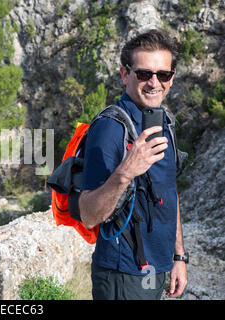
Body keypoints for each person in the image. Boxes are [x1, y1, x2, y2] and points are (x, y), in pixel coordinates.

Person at [78, 29, 188, 300]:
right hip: (123, 272)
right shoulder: (110, 128)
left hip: (158, 268)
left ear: (172, 78)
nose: (154, 82)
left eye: (163, 74)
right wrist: (126, 172)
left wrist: (178, 256)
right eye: (143, 74)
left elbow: (168, 192)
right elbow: (89, 214)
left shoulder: (165, 122)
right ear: (125, 74)